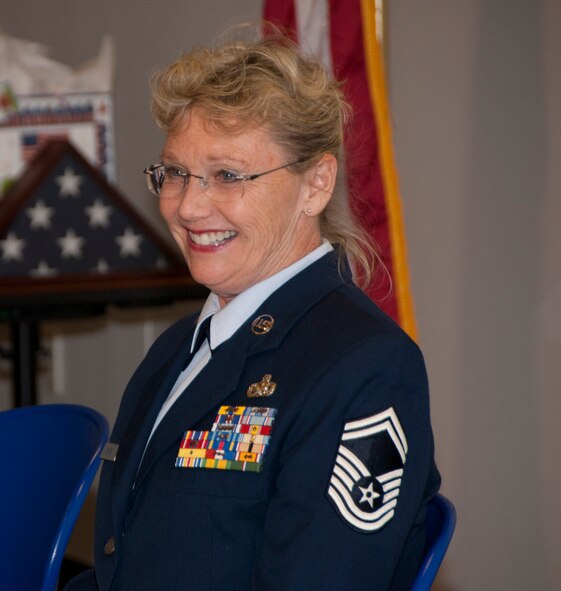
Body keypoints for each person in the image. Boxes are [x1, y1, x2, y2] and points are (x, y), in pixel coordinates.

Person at [65, 29, 440, 591]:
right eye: (175, 173)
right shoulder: (178, 347)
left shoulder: (365, 369)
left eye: (228, 176)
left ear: (315, 184)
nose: (189, 206)